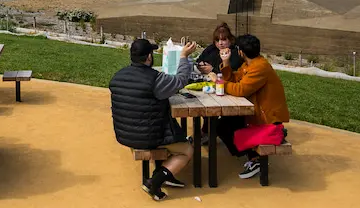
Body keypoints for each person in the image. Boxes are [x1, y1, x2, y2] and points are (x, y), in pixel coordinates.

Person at [109, 39, 197, 201]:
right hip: (147, 136)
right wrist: (184, 56)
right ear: (149, 57)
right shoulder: (155, 79)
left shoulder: (117, 76)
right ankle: (154, 182)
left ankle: (164, 173)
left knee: (168, 132)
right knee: (187, 150)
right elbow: (181, 81)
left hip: (125, 135)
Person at [207, 34, 290, 179]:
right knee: (221, 124)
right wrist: (225, 62)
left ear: (240, 52)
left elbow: (240, 90)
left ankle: (255, 159)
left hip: (267, 119)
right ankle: (252, 156)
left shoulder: (260, 67)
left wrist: (217, 82)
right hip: (256, 113)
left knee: (224, 126)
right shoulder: (250, 64)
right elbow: (234, 78)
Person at [194, 23, 244, 144]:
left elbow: (230, 71)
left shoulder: (234, 52)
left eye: (223, 40)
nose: (220, 43)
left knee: (214, 110)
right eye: (217, 40)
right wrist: (201, 66)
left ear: (230, 40)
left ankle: (209, 131)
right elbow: (199, 60)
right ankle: (207, 131)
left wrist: (213, 70)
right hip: (210, 86)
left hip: (228, 89)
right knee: (203, 105)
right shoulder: (211, 49)